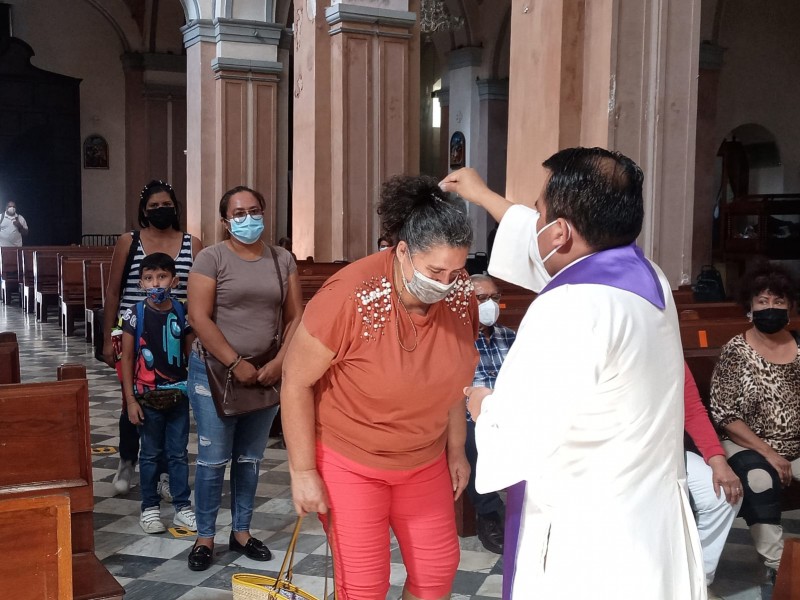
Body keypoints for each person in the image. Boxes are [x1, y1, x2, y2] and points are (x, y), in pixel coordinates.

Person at [441, 148, 705, 599]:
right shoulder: (645, 275)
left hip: (588, 535)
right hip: (646, 520)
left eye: (539, 210)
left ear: (561, 230)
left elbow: (517, 441)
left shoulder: (568, 307)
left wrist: (483, 406)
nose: (533, 219)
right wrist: (483, 195)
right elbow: (543, 242)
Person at [281, 175, 479, 600]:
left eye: (457, 270)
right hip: (351, 460)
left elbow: (451, 380)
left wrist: (457, 448)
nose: (446, 283)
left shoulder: (460, 295)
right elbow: (295, 381)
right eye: (435, 271)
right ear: (403, 251)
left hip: (423, 459)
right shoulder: (349, 296)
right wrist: (302, 471)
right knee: (364, 584)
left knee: (437, 570)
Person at [186, 185, 303, 571]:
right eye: (239, 213)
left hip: (265, 371)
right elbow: (198, 317)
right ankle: (205, 537)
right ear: (225, 221)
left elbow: (295, 316)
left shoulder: (280, 259)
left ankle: (241, 532)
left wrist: (281, 362)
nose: (248, 218)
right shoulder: (211, 258)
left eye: (254, 210)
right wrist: (236, 363)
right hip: (216, 371)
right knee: (213, 458)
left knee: (250, 458)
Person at [102, 180, 202, 497]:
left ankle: (162, 472)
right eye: (154, 206)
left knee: (171, 399)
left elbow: (199, 293)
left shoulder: (192, 243)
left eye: (166, 205)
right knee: (133, 397)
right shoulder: (128, 241)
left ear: (176, 207)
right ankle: (128, 460)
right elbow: (114, 291)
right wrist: (107, 338)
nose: (161, 210)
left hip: (175, 334)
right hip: (134, 332)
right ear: (144, 211)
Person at [709, 262, 800, 582]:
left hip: (794, 445)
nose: (771, 308)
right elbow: (724, 414)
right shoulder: (737, 350)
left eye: (778, 302)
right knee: (760, 478)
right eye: (763, 302)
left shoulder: (799, 346)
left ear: (790, 307)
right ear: (750, 307)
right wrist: (769, 453)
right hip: (744, 443)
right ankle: (778, 567)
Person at [120, 252, 197, 534]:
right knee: (150, 454)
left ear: (174, 280)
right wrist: (130, 400)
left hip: (178, 396)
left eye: (162, 277)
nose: (156, 283)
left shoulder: (181, 312)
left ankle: (182, 508)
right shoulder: (134, 313)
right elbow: (127, 358)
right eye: (149, 278)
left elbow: (191, 355)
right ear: (141, 283)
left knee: (177, 454)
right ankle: (149, 508)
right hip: (146, 398)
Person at [466, 274, 515, 555]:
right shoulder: (454, 339)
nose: (490, 304)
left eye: (494, 297)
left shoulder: (510, 336)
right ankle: (490, 513)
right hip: (472, 415)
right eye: (481, 298)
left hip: (508, 412)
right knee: (470, 439)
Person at [683, 362, 742, 597]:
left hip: (667, 453)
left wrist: (718, 460)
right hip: (611, 457)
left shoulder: (668, 346)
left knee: (723, 495)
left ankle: (698, 578)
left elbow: (692, 408)